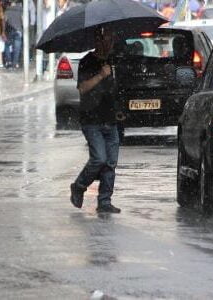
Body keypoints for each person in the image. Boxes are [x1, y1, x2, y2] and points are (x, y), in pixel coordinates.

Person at [70, 27, 121, 214]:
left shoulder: (113, 60)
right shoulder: (87, 62)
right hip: (92, 120)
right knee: (99, 159)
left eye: (111, 39)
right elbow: (82, 88)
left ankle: (105, 201)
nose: (109, 43)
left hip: (110, 119)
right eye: (106, 39)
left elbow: (115, 89)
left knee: (110, 163)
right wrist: (101, 75)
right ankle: (79, 186)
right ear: (98, 41)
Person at [4, 0, 22, 69]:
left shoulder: (7, 11)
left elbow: (4, 21)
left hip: (9, 31)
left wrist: (3, 31)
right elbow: (23, 20)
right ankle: (15, 64)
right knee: (17, 48)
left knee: (7, 46)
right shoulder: (21, 10)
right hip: (19, 31)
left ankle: (9, 62)